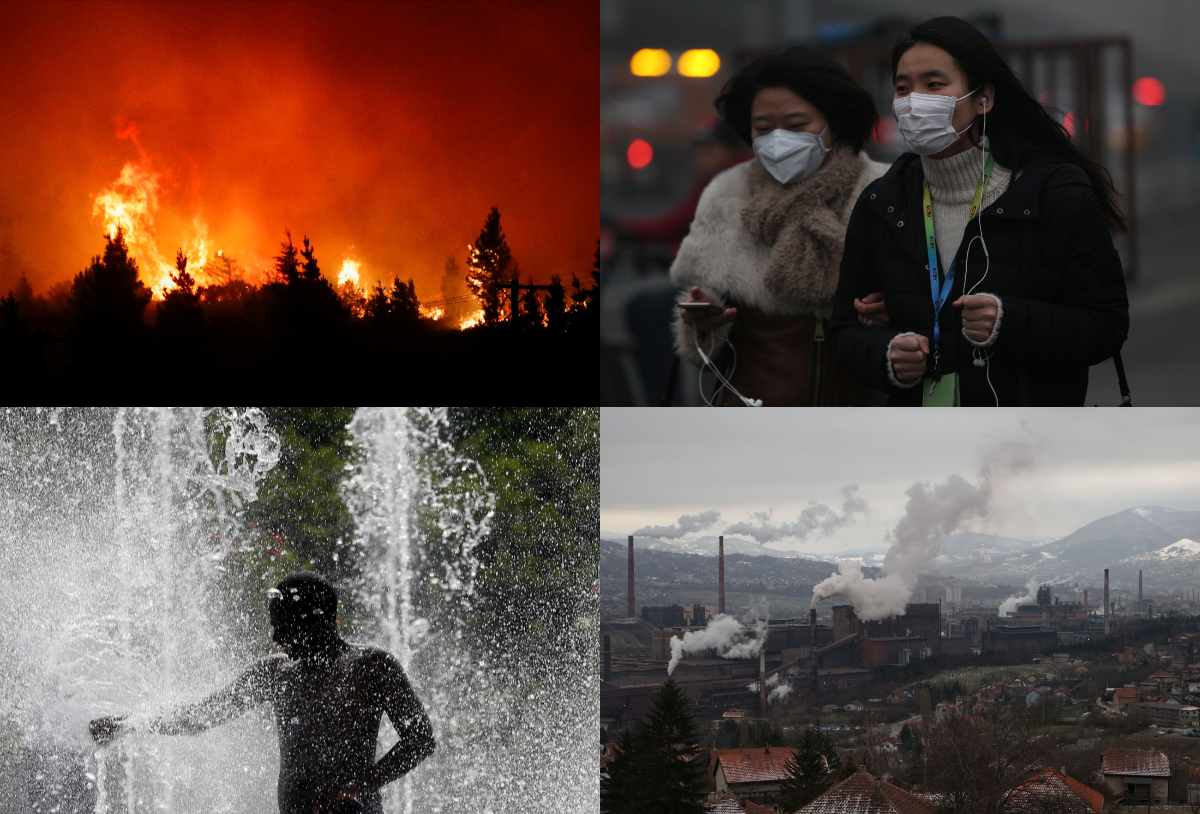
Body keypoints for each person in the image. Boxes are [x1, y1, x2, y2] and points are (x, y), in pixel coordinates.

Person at [828, 16, 1130, 406]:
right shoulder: (880, 203)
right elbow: (845, 328)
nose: (914, 101)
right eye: (903, 89)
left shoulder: (1056, 194)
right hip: (919, 443)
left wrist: (1011, 321)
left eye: (934, 85)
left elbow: (1105, 325)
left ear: (983, 98)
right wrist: (885, 353)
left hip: (1027, 440)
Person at [89, 572, 435, 814]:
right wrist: (129, 723)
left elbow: (420, 738)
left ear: (316, 622)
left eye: (282, 626)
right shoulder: (277, 673)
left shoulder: (370, 666)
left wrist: (357, 785)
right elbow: (201, 716)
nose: (274, 638)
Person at [670, 46, 891, 406]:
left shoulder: (884, 193)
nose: (778, 140)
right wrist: (706, 324)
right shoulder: (727, 197)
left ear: (833, 124)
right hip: (753, 421)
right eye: (763, 128)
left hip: (861, 422)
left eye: (796, 125)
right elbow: (705, 354)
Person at [611, 117, 753, 258]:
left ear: (730, 150)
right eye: (697, 151)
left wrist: (670, 253)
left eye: (707, 151)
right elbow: (678, 224)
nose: (699, 159)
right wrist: (626, 228)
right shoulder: (710, 181)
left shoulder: (746, 182)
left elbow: (724, 240)